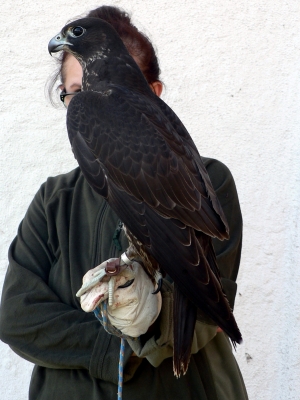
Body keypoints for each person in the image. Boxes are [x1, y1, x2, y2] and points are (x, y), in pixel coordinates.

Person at [0, 5, 248, 400]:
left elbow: (203, 318)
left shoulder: (210, 178)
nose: (87, 107)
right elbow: (16, 317)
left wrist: (148, 318)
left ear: (152, 94)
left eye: (95, 96)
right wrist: (110, 347)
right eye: (75, 94)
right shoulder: (54, 200)